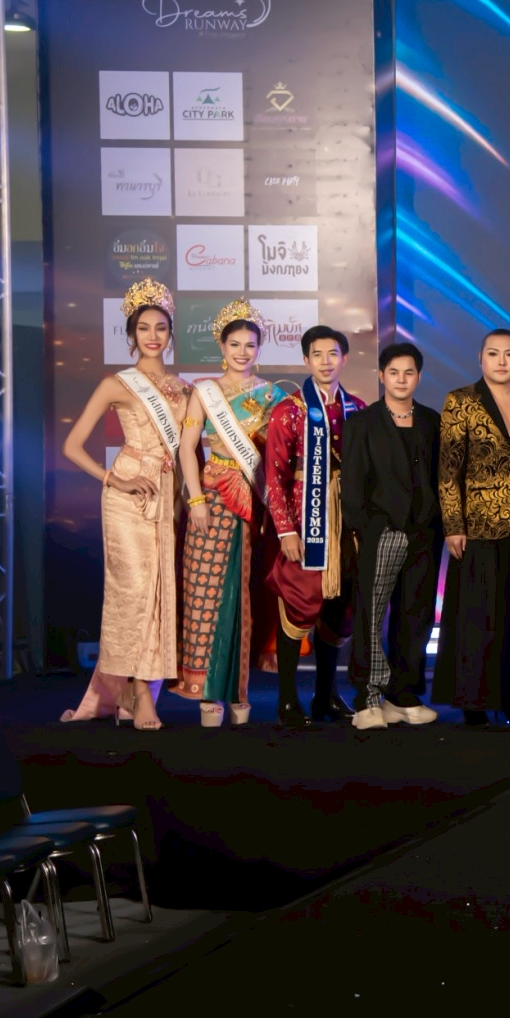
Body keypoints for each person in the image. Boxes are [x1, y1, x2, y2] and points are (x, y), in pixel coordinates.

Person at [59, 279, 191, 730]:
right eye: (143, 328)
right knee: (132, 591)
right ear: (131, 334)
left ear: (170, 334)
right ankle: (135, 693)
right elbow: (72, 445)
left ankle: (137, 694)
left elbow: (186, 451)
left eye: (161, 328)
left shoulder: (184, 389)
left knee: (158, 594)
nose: (152, 336)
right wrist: (114, 478)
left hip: (167, 496)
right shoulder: (116, 384)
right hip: (126, 496)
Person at [434, 329, 510, 725]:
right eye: (493, 353)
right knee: (479, 616)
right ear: (480, 358)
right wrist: (453, 524)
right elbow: (448, 470)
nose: (502, 361)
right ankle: (474, 703)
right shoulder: (461, 401)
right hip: (478, 524)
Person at [177, 300, 289, 728]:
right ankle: (207, 693)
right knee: (206, 593)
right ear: (221, 346)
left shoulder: (273, 396)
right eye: (235, 344)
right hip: (212, 496)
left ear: (259, 349)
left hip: (255, 504)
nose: (243, 352)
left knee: (244, 597)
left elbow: (281, 454)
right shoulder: (204, 392)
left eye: (251, 345)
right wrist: (196, 501)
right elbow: (187, 449)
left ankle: (239, 690)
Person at [262, 325, 368, 729]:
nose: (326, 362)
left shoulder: (358, 408)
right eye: (317, 354)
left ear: (344, 358)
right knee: (301, 599)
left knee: (341, 607)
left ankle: (326, 695)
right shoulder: (289, 411)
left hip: (348, 524)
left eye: (333, 354)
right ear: (306, 360)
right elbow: (274, 476)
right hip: (306, 523)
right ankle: (287, 699)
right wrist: (286, 530)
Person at [340, 342, 442, 729]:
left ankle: (402, 696)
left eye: (409, 372)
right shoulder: (363, 424)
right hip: (381, 531)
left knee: (416, 615)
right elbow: (353, 485)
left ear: (419, 376)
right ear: (381, 376)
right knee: (372, 615)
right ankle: (367, 699)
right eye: (394, 372)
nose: (401, 380)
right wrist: (366, 527)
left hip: (425, 533)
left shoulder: (432, 422)